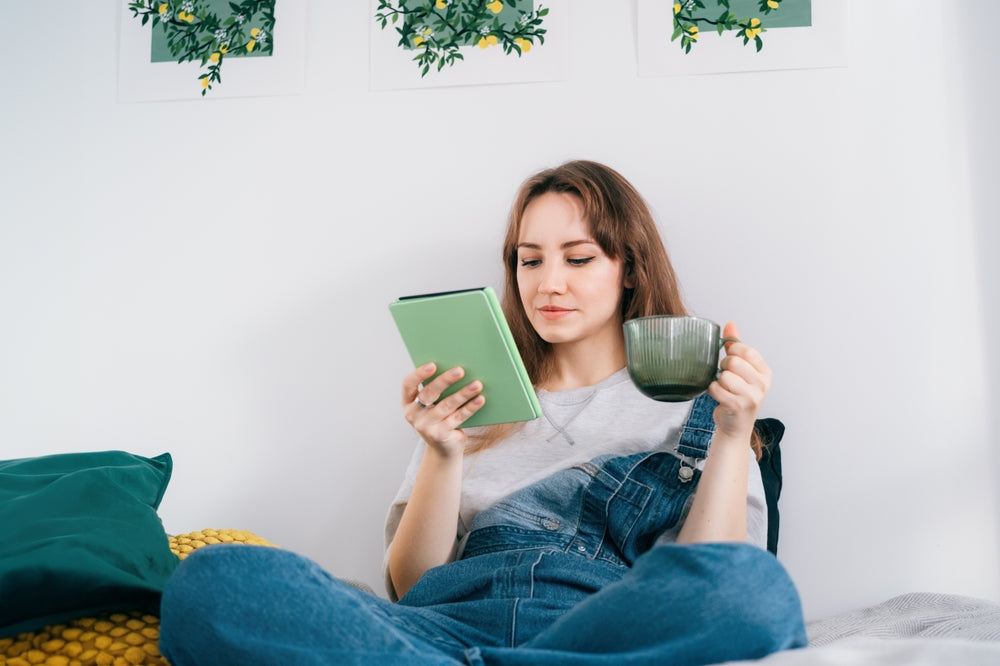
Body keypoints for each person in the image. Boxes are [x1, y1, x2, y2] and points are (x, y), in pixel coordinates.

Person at [159, 160, 807, 665]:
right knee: (210, 580)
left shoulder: (698, 406)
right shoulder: (472, 399)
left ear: (630, 268)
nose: (548, 282)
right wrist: (443, 452)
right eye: (529, 260)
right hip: (441, 627)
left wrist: (731, 436)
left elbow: (717, 578)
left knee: (761, 592)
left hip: (599, 628)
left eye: (578, 258)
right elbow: (411, 590)